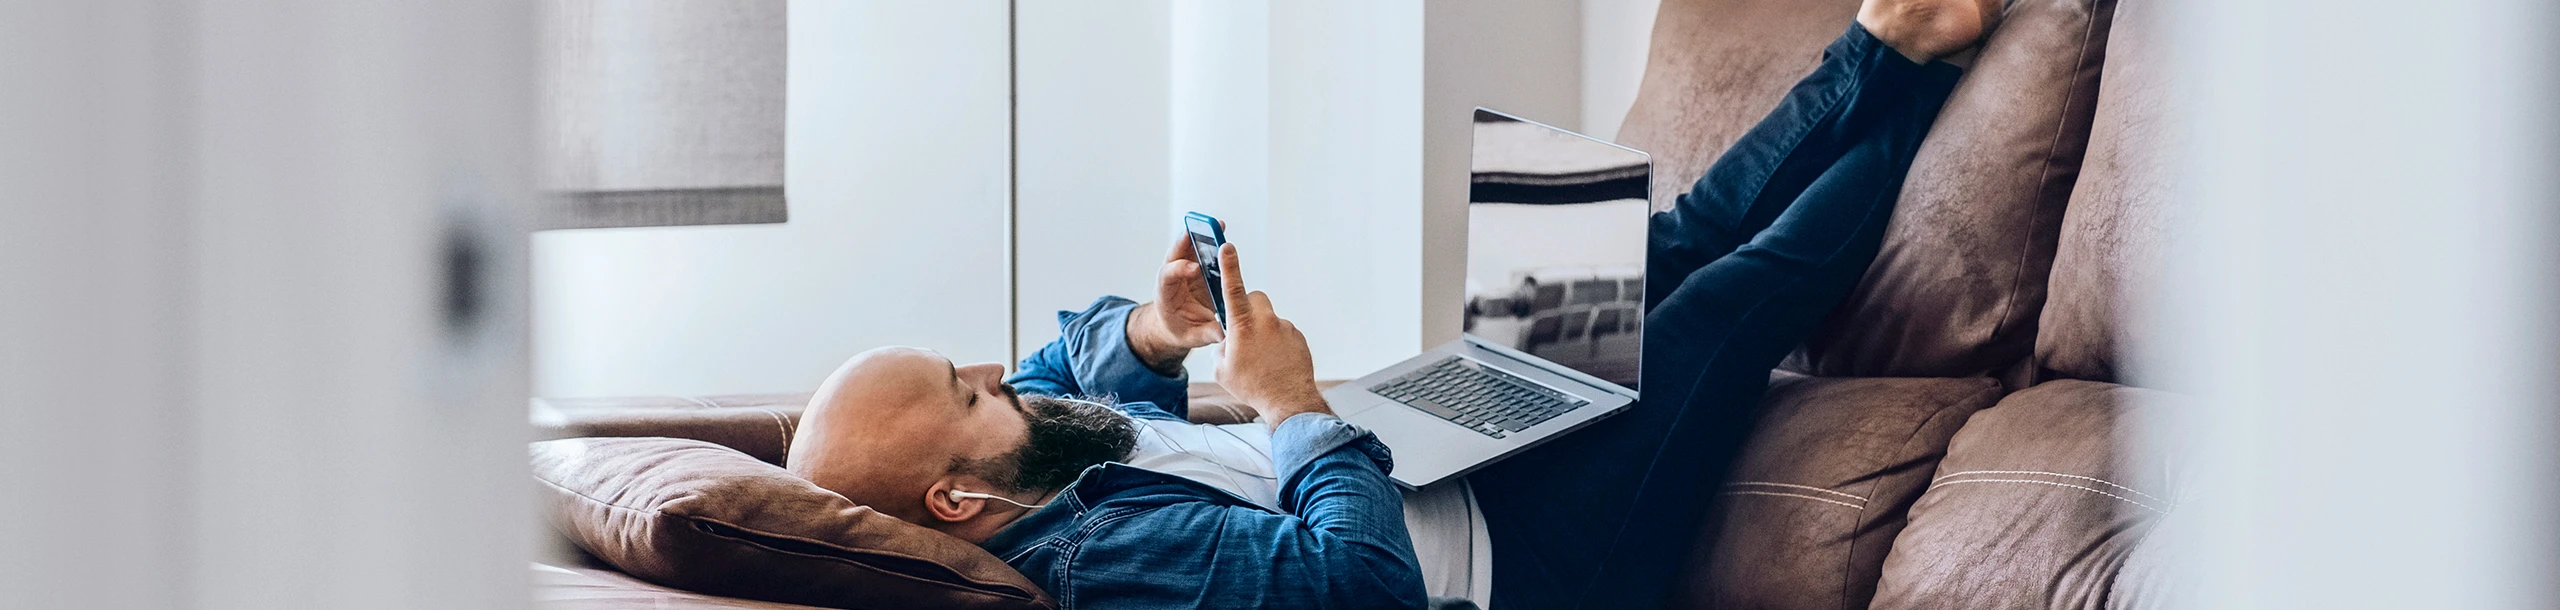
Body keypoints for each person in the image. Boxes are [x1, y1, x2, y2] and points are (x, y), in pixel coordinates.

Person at [785, 0, 1994, 606]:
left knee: (1653, 247)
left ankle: (1885, 45)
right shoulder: (1104, 562)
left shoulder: (1023, 459)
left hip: (1444, 443)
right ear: (957, 497)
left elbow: (1061, 365)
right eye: (965, 391)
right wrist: (1294, 407)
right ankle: (1934, 81)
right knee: (1729, 294)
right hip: (1515, 557)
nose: (996, 374)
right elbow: (1362, 588)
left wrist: (1158, 329)